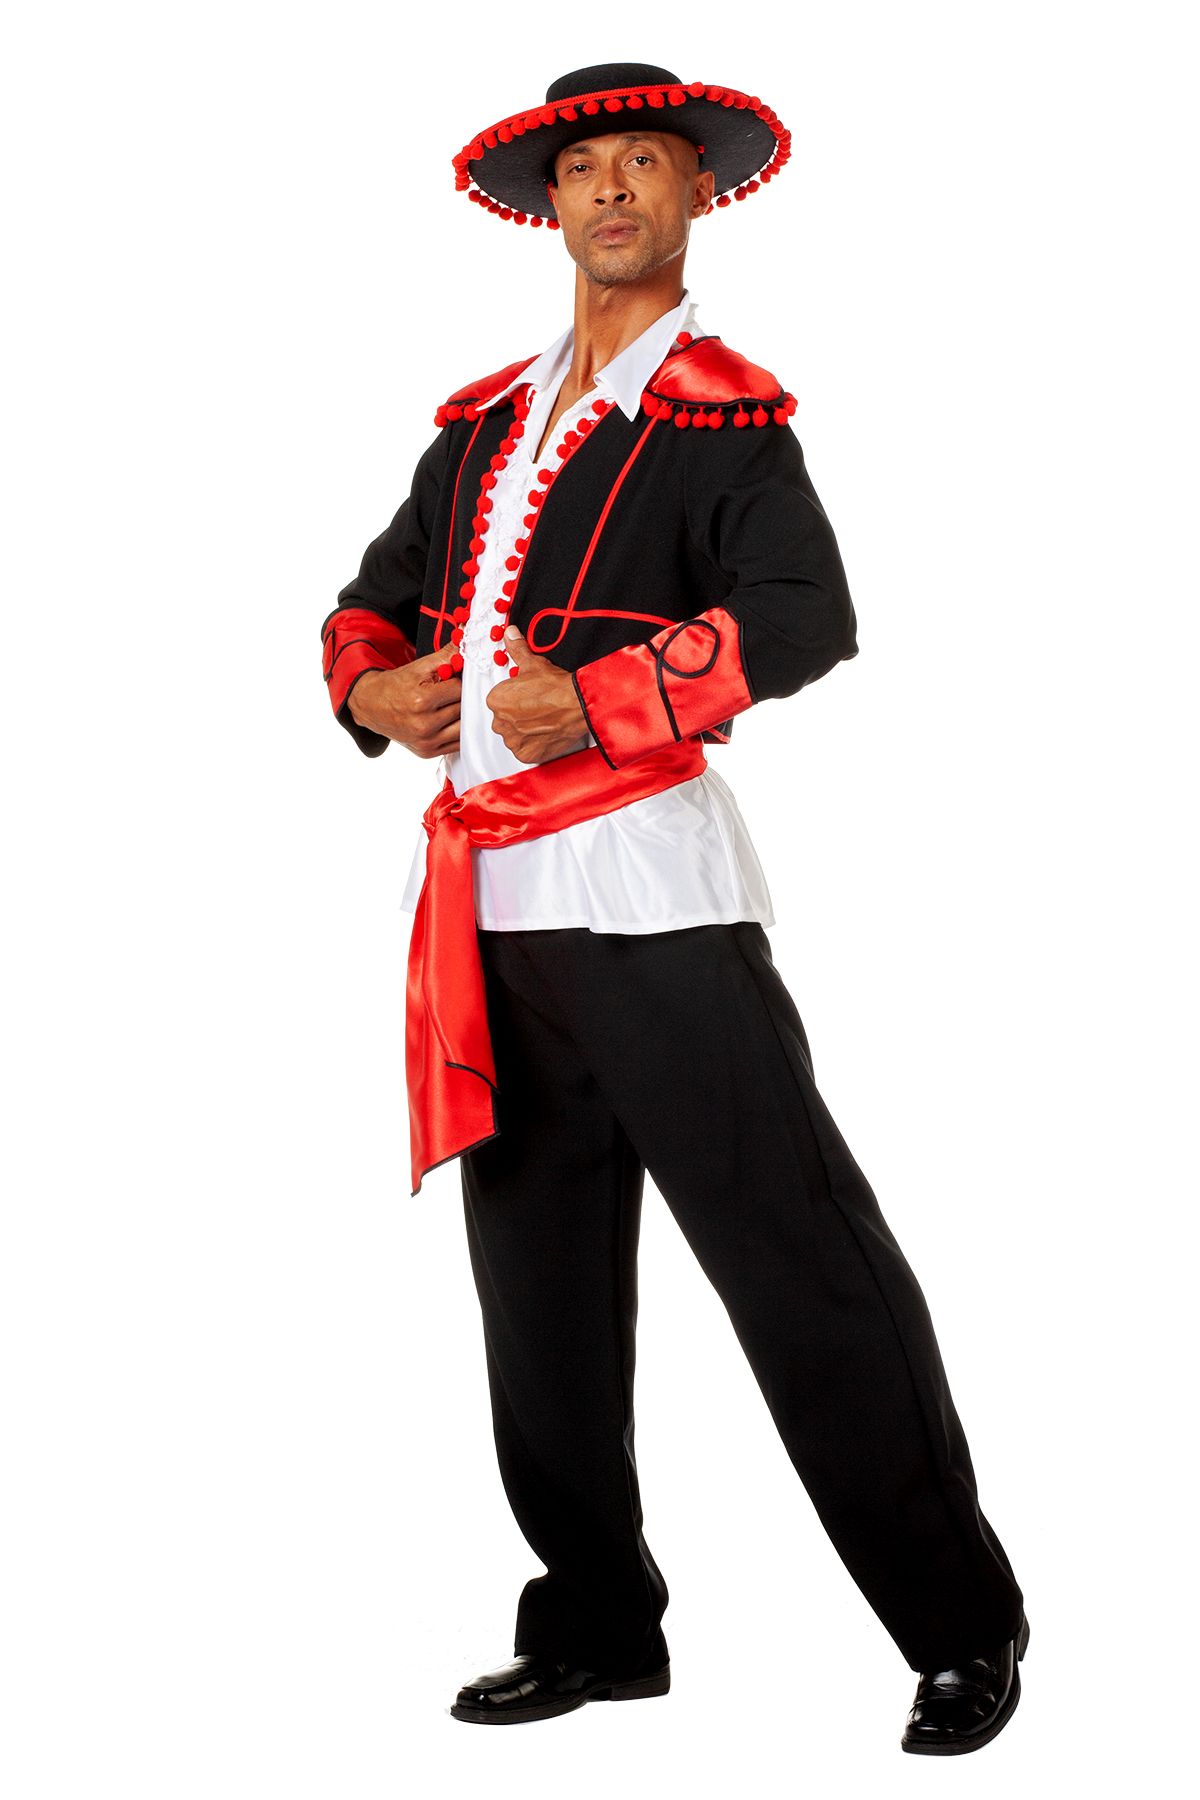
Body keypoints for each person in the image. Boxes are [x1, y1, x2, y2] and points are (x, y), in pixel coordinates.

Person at [320, 62, 1030, 1755]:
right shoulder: (481, 425)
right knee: (541, 1300)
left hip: (655, 904)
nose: (614, 190)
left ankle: (961, 1627)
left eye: (645, 162)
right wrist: (373, 691)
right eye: (588, 169)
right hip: (488, 908)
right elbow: (366, 607)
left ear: (695, 194)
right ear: (552, 206)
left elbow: (806, 616)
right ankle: (596, 1625)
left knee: (801, 1265)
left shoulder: (721, 413)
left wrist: (609, 696)